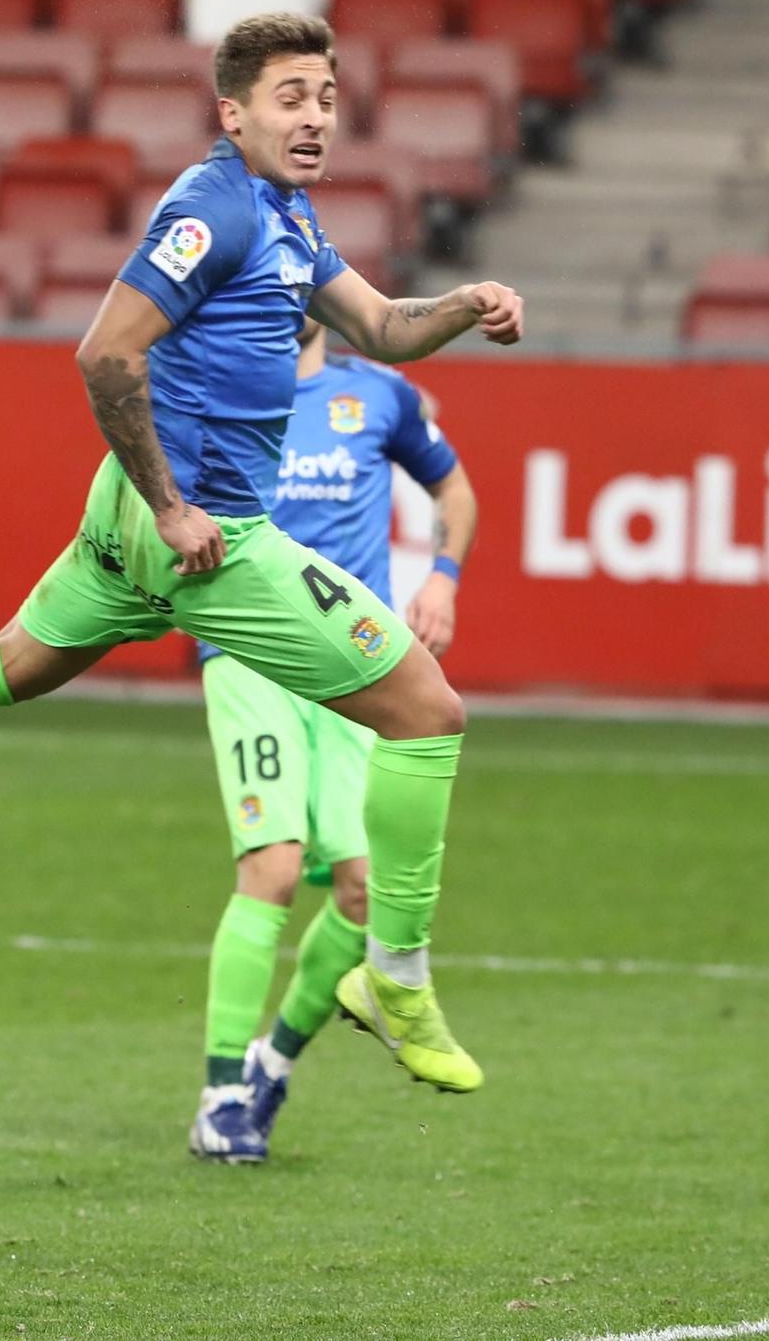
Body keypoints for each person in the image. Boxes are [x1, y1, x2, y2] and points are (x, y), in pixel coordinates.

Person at [0, 13, 522, 1103]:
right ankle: (392, 978)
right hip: (200, 536)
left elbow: (386, 328)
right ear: (233, 112)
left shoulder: (286, 218)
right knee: (426, 711)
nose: (312, 117)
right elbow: (104, 351)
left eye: (325, 97)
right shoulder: (212, 207)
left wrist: (463, 307)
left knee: (2, 664)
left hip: (135, 520)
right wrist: (170, 508)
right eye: (290, 98)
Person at [190, 316, 478, 1163]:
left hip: (356, 670)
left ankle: (268, 1068)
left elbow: (455, 491)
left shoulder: (376, 395)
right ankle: (218, 1095)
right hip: (249, 656)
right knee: (273, 867)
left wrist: (443, 580)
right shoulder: (220, 390)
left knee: (362, 891)